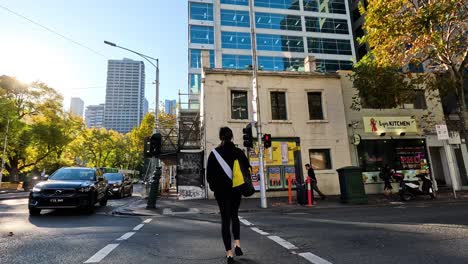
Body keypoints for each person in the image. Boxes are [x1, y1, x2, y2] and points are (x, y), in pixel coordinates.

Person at [206, 127, 250, 264]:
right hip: (236, 190)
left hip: (221, 193)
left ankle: (229, 254)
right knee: (235, 216)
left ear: (220, 137)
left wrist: (215, 189)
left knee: (225, 220)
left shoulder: (214, 154)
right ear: (232, 137)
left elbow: (209, 176)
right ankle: (237, 244)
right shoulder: (238, 152)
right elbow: (247, 169)